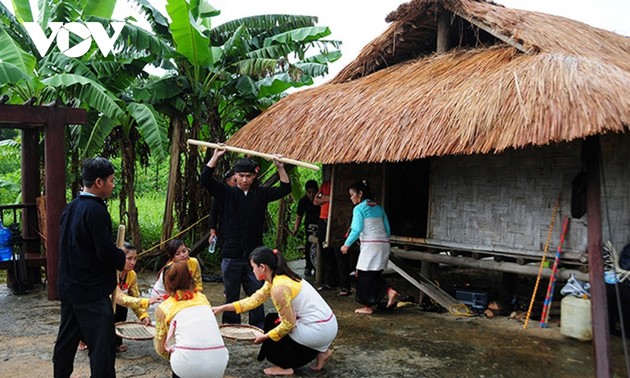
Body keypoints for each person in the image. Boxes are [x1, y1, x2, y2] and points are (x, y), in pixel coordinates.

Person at [201, 148, 291, 329]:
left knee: (256, 291)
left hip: (254, 255)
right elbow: (205, 179)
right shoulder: (226, 193)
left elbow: (285, 188)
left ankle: (257, 325)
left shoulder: (261, 194)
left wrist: (280, 167)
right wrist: (216, 156)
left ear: (254, 177)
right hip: (231, 252)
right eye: (241, 176)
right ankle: (230, 326)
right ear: (235, 176)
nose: (244, 180)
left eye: (248, 176)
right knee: (231, 292)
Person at [53, 157, 126, 378]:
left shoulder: (71, 206)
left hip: (69, 287)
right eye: (111, 180)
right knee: (102, 345)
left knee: (67, 340)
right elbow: (103, 251)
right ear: (98, 182)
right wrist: (121, 257)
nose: (113, 185)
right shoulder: (95, 210)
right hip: (90, 292)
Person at [213, 247, 337, 376]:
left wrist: (265, 337)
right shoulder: (278, 277)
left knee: (275, 325)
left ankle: (284, 366)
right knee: (273, 319)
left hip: (318, 330)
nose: (252, 271)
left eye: (253, 267)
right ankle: (323, 351)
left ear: (262, 267)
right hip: (328, 325)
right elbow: (253, 300)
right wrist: (222, 308)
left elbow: (287, 325)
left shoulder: (279, 288)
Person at [154, 261, 228, 378]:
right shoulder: (203, 299)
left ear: (166, 283)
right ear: (190, 279)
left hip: (186, 367)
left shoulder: (164, 308)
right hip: (219, 362)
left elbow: (161, 348)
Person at [340, 180, 397, 314]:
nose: (351, 198)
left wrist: (346, 245)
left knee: (363, 275)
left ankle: (367, 306)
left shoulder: (359, 209)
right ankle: (389, 291)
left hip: (372, 246)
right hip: (383, 244)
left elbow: (357, 228)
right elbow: (387, 230)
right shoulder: (378, 208)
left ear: (360, 194)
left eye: (352, 195)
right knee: (373, 273)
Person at [112, 242, 159, 352]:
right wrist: (146, 301)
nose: (133, 262)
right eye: (129, 258)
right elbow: (118, 297)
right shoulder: (111, 273)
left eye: (135, 259)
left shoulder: (131, 274)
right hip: (102, 303)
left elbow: (134, 296)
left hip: (117, 304)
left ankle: (117, 342)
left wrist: (143, 316)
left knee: (123, 308)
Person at [314, 180, 352, 296]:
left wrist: (324, 198)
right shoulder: (325, 184)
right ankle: (329, 282)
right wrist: (329, 198)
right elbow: (316, 201)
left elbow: (340, 200)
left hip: (337, 220)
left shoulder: (342, 184)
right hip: (323, 220)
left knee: (339, 253)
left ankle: (345, 285)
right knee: (326, 252)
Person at [291, 180, 320, 276]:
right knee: (308, 245)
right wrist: (296, 229)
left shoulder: (321, 200)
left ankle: (318, 266)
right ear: (306, 192)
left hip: (321, 224)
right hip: (309, 225)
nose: (311, 195)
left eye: (314, 192)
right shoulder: (303, 201)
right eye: (309, 192)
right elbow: (299, 216)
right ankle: (308, 266)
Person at [208, 168, 236, 252]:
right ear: (227, 181)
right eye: (235, 180)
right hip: (225, 232)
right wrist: (212, 232)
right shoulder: (221, 194)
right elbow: (213, 213)